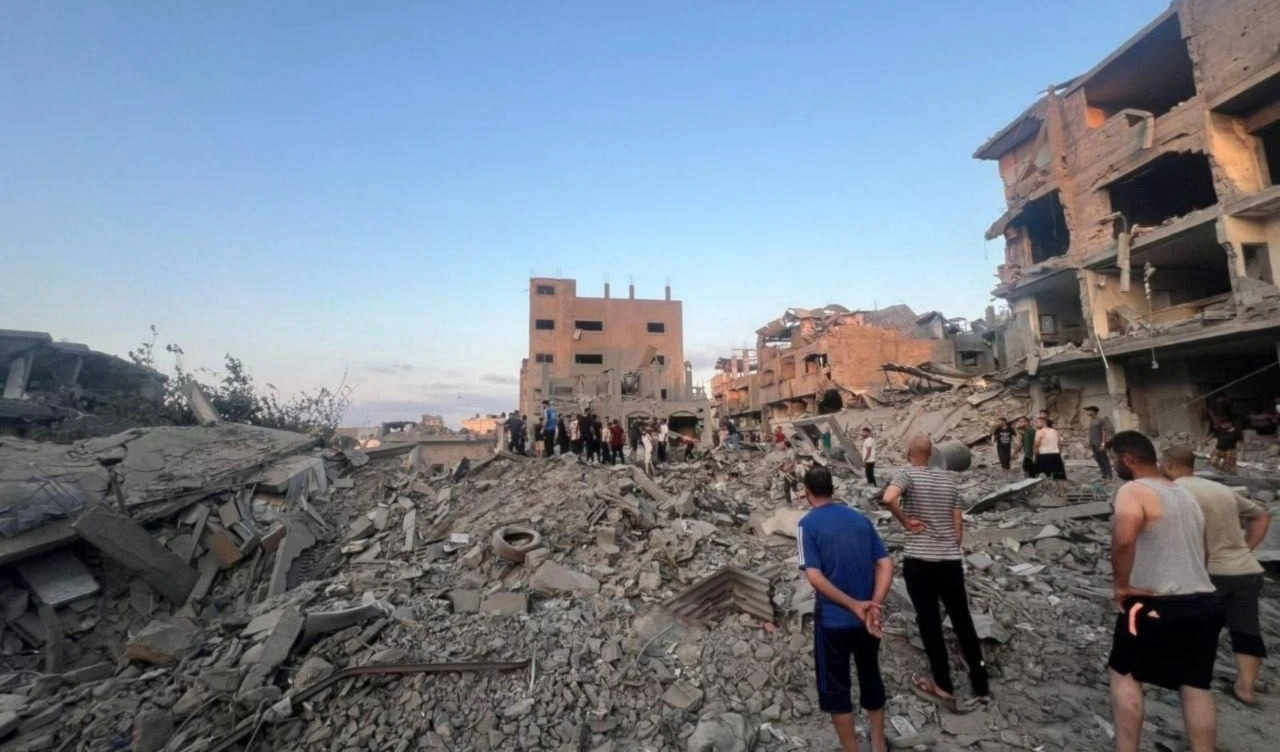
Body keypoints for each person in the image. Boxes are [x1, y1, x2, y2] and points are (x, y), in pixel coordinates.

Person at [1107, 431, 1223, 752]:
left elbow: (1124, 540)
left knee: (1125, 674)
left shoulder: (1133, 490)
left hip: (1153, 604)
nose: (1114, 466)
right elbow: (1204, 552)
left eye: (1114, 460)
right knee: (1196, 685)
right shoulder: (1183, 493)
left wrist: (1120, 585)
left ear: (1128, 459)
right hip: (1204, 602)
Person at [882, 435, 989, 712]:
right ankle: (980, 684)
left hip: (920, 560)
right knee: (962, 620)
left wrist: (906, 521)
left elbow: (888, 498)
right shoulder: (947, 480)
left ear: (909, 452)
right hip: (950, 561)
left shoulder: (906, 474)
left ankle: (943, 683)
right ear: (931, 455)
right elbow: (958, 529)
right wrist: (948, 546)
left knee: (929, 621)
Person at [1163, 446, 1271, 707]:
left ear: (1166, 465)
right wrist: (1245, 549)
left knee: (1194, 629)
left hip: (1207, 574)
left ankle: (1192, 681)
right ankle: (1246, 687)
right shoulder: (1221, 490)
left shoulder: (1174, 493)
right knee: (1246, 630)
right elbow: (1261, 515)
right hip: (1244, 571)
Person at [797, 465, 893, 752]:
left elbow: (814, 577)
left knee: (836, 686)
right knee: (870, 675)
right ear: (833, 489)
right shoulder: (860, 519)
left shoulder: (807, 525)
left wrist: (855, 605)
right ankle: (878, 743)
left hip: (834, 621)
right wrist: (874, 605)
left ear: (807, 492)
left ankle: (852, 749)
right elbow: (886, 564)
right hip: (868, 621)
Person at [1033, 416, 1066, 490]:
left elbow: (1036, 444)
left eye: (1037, 422)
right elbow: (1059, 443)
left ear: (1043, 422)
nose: (1036, 424)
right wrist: (1058, 453)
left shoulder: (1039, 432)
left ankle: (1044, 491)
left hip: (1044, 455)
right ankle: (1061, 491)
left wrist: (1035, 456)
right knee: (1059, 474)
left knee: (1043, 474)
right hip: (1055, 454)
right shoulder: (1055, 431)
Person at [1086, 406, 1114, 480]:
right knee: (1098, 459)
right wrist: (1089, 442)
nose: (1087, 412)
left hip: (1100, 443)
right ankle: (1103, 475)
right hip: (1093, 444)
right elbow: (1091, 432)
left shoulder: (1101, 420)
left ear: (1094, 411)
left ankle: (1109, 476)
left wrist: (1103, 444)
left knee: (1104, 459)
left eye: (1089, 410)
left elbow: (1104, 432)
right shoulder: (1091, 420)